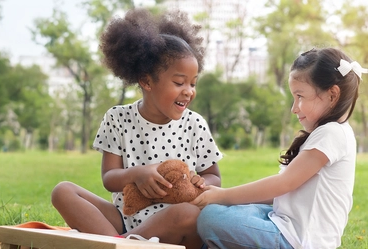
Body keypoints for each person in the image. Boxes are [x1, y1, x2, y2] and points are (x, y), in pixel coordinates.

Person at [51, 8, 223, 249]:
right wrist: (137, 174)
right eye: (178, 82)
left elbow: (214, 177)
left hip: (172, 226)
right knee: (63, 191)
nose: (189, 91)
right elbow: (109, 178)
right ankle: (123, 243)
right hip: (125, 218)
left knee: (190, 215)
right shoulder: (117, 118)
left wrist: (198, 183)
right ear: (146, 81)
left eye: (193, 83)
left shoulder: (195, 124)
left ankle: (116, 245)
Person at [192, 47, 368, 249]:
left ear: (332, 95)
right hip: (282, 223)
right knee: (222, 213)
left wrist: (223, 195)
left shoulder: (332, 134)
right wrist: (224, 200)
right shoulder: (329, 133)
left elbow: (284, 183)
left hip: (298, 241)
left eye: (300, 96)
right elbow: (283, 193)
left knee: (211, 218)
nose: (294, 108)